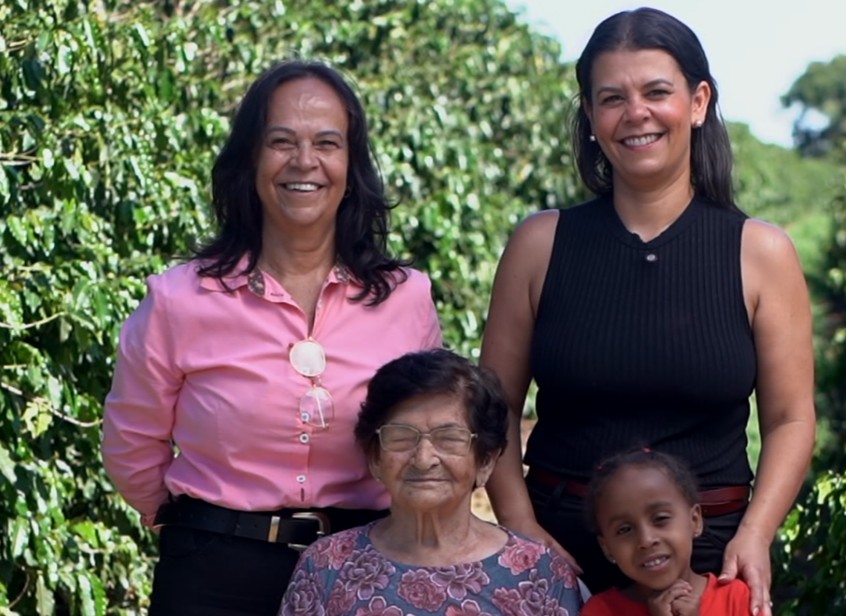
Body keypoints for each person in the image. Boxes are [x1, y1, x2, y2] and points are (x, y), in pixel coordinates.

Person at [480, 7, 815, 615]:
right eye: (611, 98)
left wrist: (757, 533)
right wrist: (521, 526)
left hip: (712, 559)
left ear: (697, 101)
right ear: (589, 117)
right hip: (559, 559)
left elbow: (792, 419)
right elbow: (493, 406)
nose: (635, 113)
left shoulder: (761, 252)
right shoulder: (539, 244)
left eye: (656, 91)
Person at [101, 60, 442, 616]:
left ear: (352, 164)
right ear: (251, 160)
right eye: (281, 141)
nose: (304, 162)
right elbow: (130, 444)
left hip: (367, 572)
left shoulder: (406, 299)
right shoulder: (178, 299)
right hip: (211, 574)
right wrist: (203, 532)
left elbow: (427, 436)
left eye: (327, 143)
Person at [278, 348, 583, 615]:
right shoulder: (326, 565)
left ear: (486, 461)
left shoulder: (538, 572)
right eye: (401, 437)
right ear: (375, 458)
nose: (424, 459)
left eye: (449, 439)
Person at [582, 448, 752, 616]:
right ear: (607, 548)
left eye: (660, 519)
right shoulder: (600, 611)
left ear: (694, 521)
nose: (646, 540)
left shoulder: (736, 598)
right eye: (625, 529)